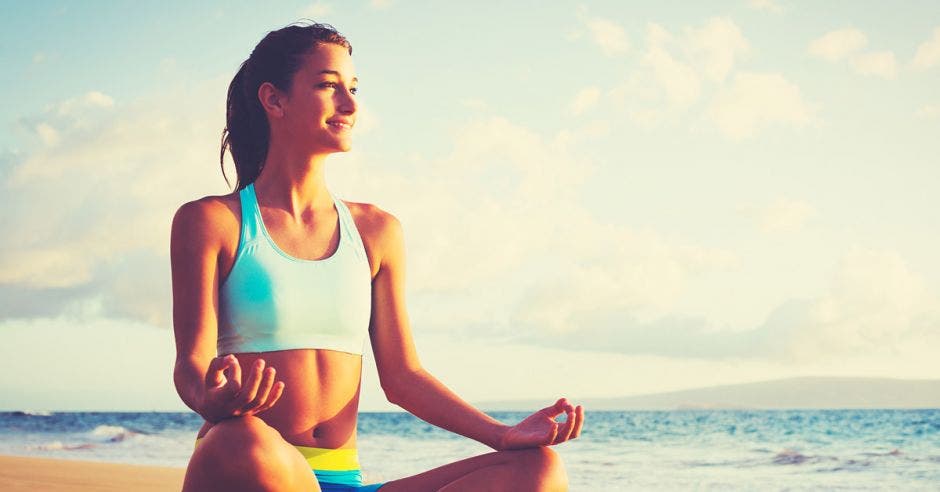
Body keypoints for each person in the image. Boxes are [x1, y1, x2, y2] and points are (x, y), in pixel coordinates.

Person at [169, 21, 583, 492]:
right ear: (274, 99)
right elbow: (192, 363)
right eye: (328, 86)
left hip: (345, 480)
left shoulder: (376, 231)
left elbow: (403, 376)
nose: (349, 104)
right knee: (243, 439)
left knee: (539, 469)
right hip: (252, 467)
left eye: (353, 88)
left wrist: (502, 435)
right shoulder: (213, 222)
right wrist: (214, 400)